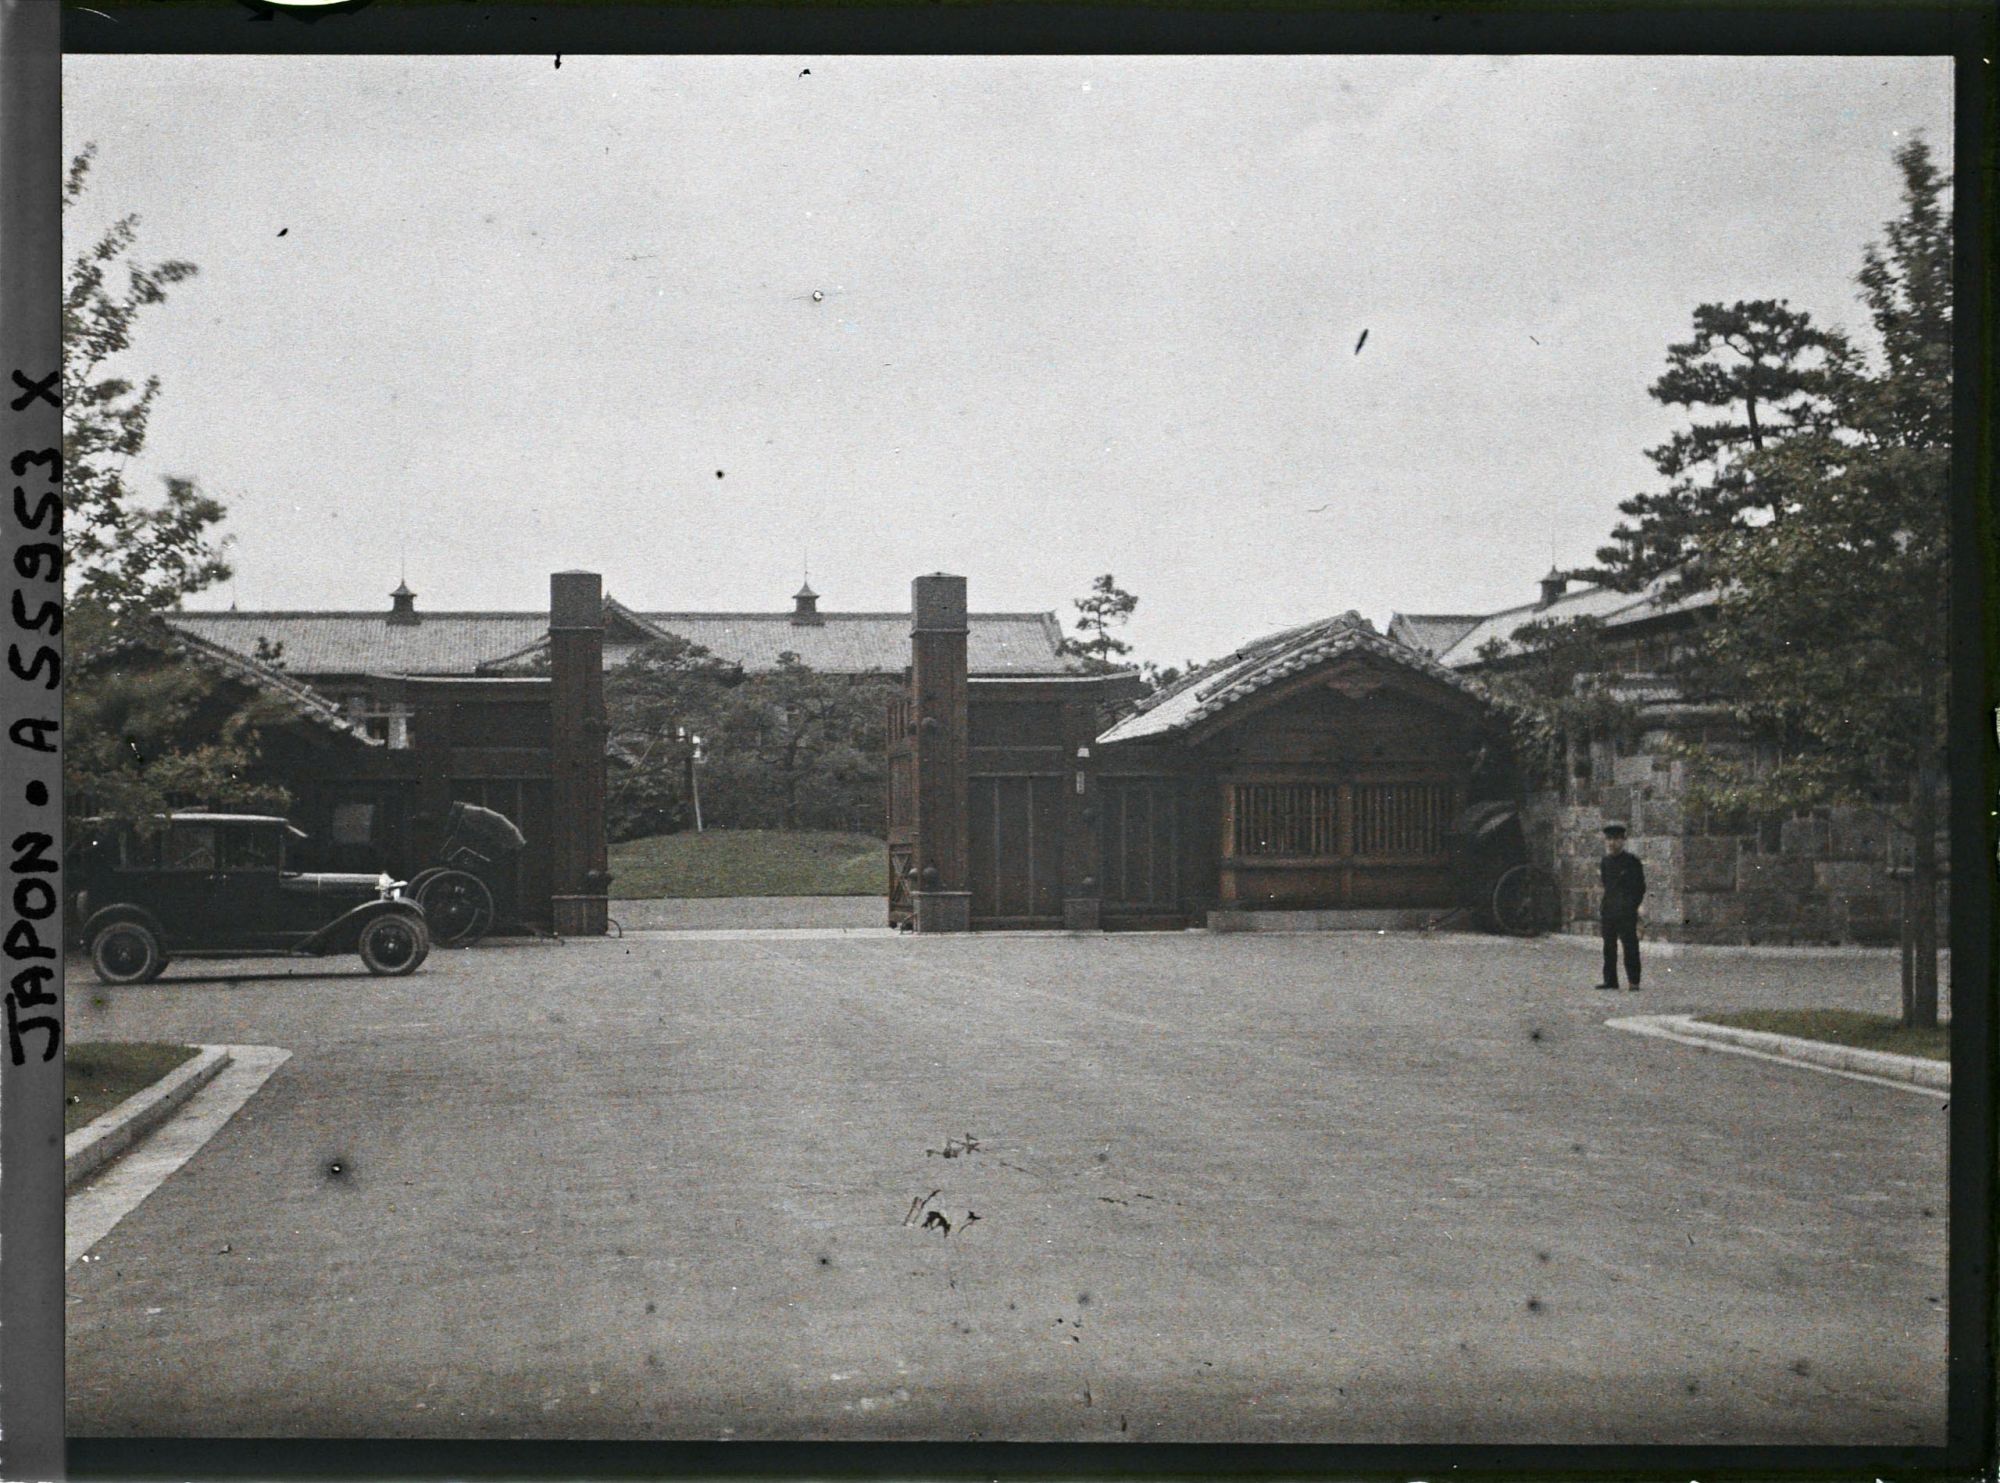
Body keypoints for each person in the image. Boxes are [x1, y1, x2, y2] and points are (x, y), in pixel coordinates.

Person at [1595, 821, 1644, 991]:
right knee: (1608, 947)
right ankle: (1610, 980)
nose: (1612, 843)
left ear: (1623, 841)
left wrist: (1631, 906)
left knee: (1630, 946)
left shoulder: (1632, 862)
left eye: (1616, 839)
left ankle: (1634, 981)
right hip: (1609, 910)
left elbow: (1639, 888)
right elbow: (1607, 885)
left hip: (1626, 911)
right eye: (1609, 839)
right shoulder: (1605, 862)